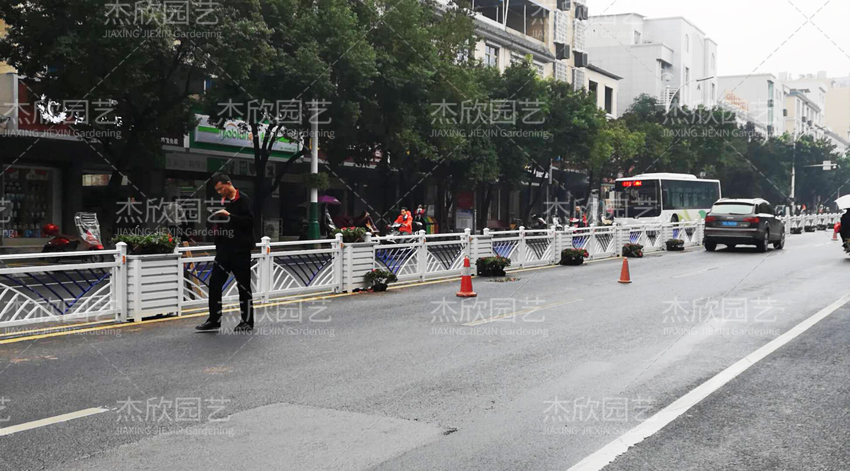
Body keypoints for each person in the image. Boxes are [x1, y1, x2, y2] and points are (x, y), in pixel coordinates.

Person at [196, 174, 256, 333]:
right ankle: (214, 320)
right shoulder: (223, 202)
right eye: (217, 190)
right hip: (224, 250)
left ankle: (247, 321)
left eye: (221, 188)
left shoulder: (243, 199)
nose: (219, 192)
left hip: (240, 250)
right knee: (214, 283)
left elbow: (249, 222)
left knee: (243, 286)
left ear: (229, 184)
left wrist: (229, 215)